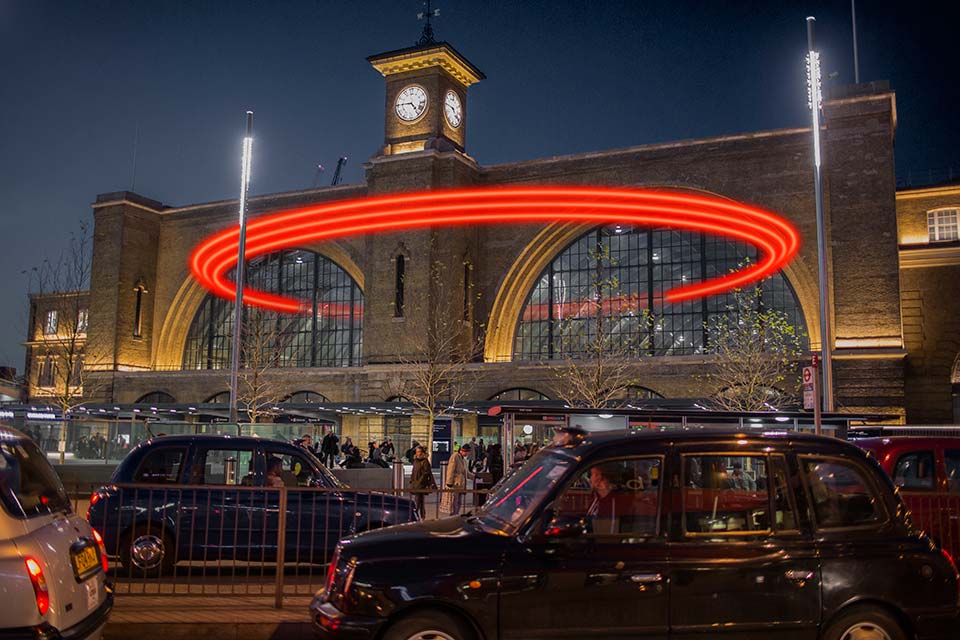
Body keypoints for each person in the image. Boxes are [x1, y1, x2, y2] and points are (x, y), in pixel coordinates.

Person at [587, 464, 618, 534]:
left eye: (592, 475)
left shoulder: (611, 502)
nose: (590, 478)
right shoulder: (596, 497)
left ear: (600, 478)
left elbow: (610, 532)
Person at [409, 445, 437, 516]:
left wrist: (419, 482)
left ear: (422, 452)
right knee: (420, 500)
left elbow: (426, 473)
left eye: (419, 452)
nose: (418, 453)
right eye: (417, 452)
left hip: (421, 484)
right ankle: (422, 515)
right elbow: (414, 471)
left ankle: (415, 515)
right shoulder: (415, 461)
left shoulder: (425, 461)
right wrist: (412, 480)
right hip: (415, 483)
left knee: (417, 500)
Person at [447, 442, 473, 515]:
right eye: (466, 452)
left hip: (461, 484)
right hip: (455, 484)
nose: (467, 454)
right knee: (454, 503)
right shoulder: (455, 456)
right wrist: (449, 482)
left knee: (458, 502)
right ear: (462, 450)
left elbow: (466, 473)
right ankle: (453, 516)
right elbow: (451, 469)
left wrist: (474, 477)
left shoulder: (463, 460)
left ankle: (456, 515)